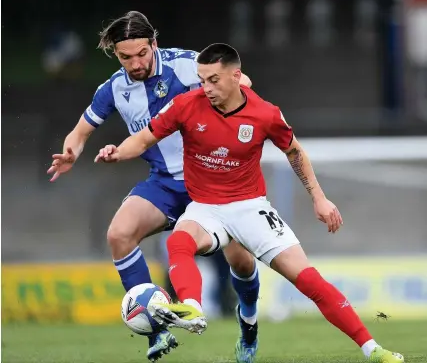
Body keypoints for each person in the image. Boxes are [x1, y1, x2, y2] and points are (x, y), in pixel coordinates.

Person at [94, 43, 405, 363]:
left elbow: (295, 152)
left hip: (250, 207)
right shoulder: (186, 105)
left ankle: (373, 349)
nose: (206, 88)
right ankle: (193, 309)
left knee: (308, 280)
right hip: (205, 206)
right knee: (179, 241)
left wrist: (320, 198)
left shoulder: (265, 114)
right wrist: (119, 151)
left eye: (214, 80)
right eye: (201, 80)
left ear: (236, 76)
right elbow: (145, 138)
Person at [47, 12, 260, 363]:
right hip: (164, 184)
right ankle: (156, 329)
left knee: (240, 260)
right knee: (119, 234)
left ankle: (248, 322)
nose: (135, 63)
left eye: (142, 53)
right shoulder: (113, 88)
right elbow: (80, 131)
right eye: (125, 57)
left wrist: (232, 94)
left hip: (212, 180)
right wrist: (71, 151)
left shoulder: (187, 64)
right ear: (115, 55)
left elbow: (241, 83)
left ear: (154, 43)